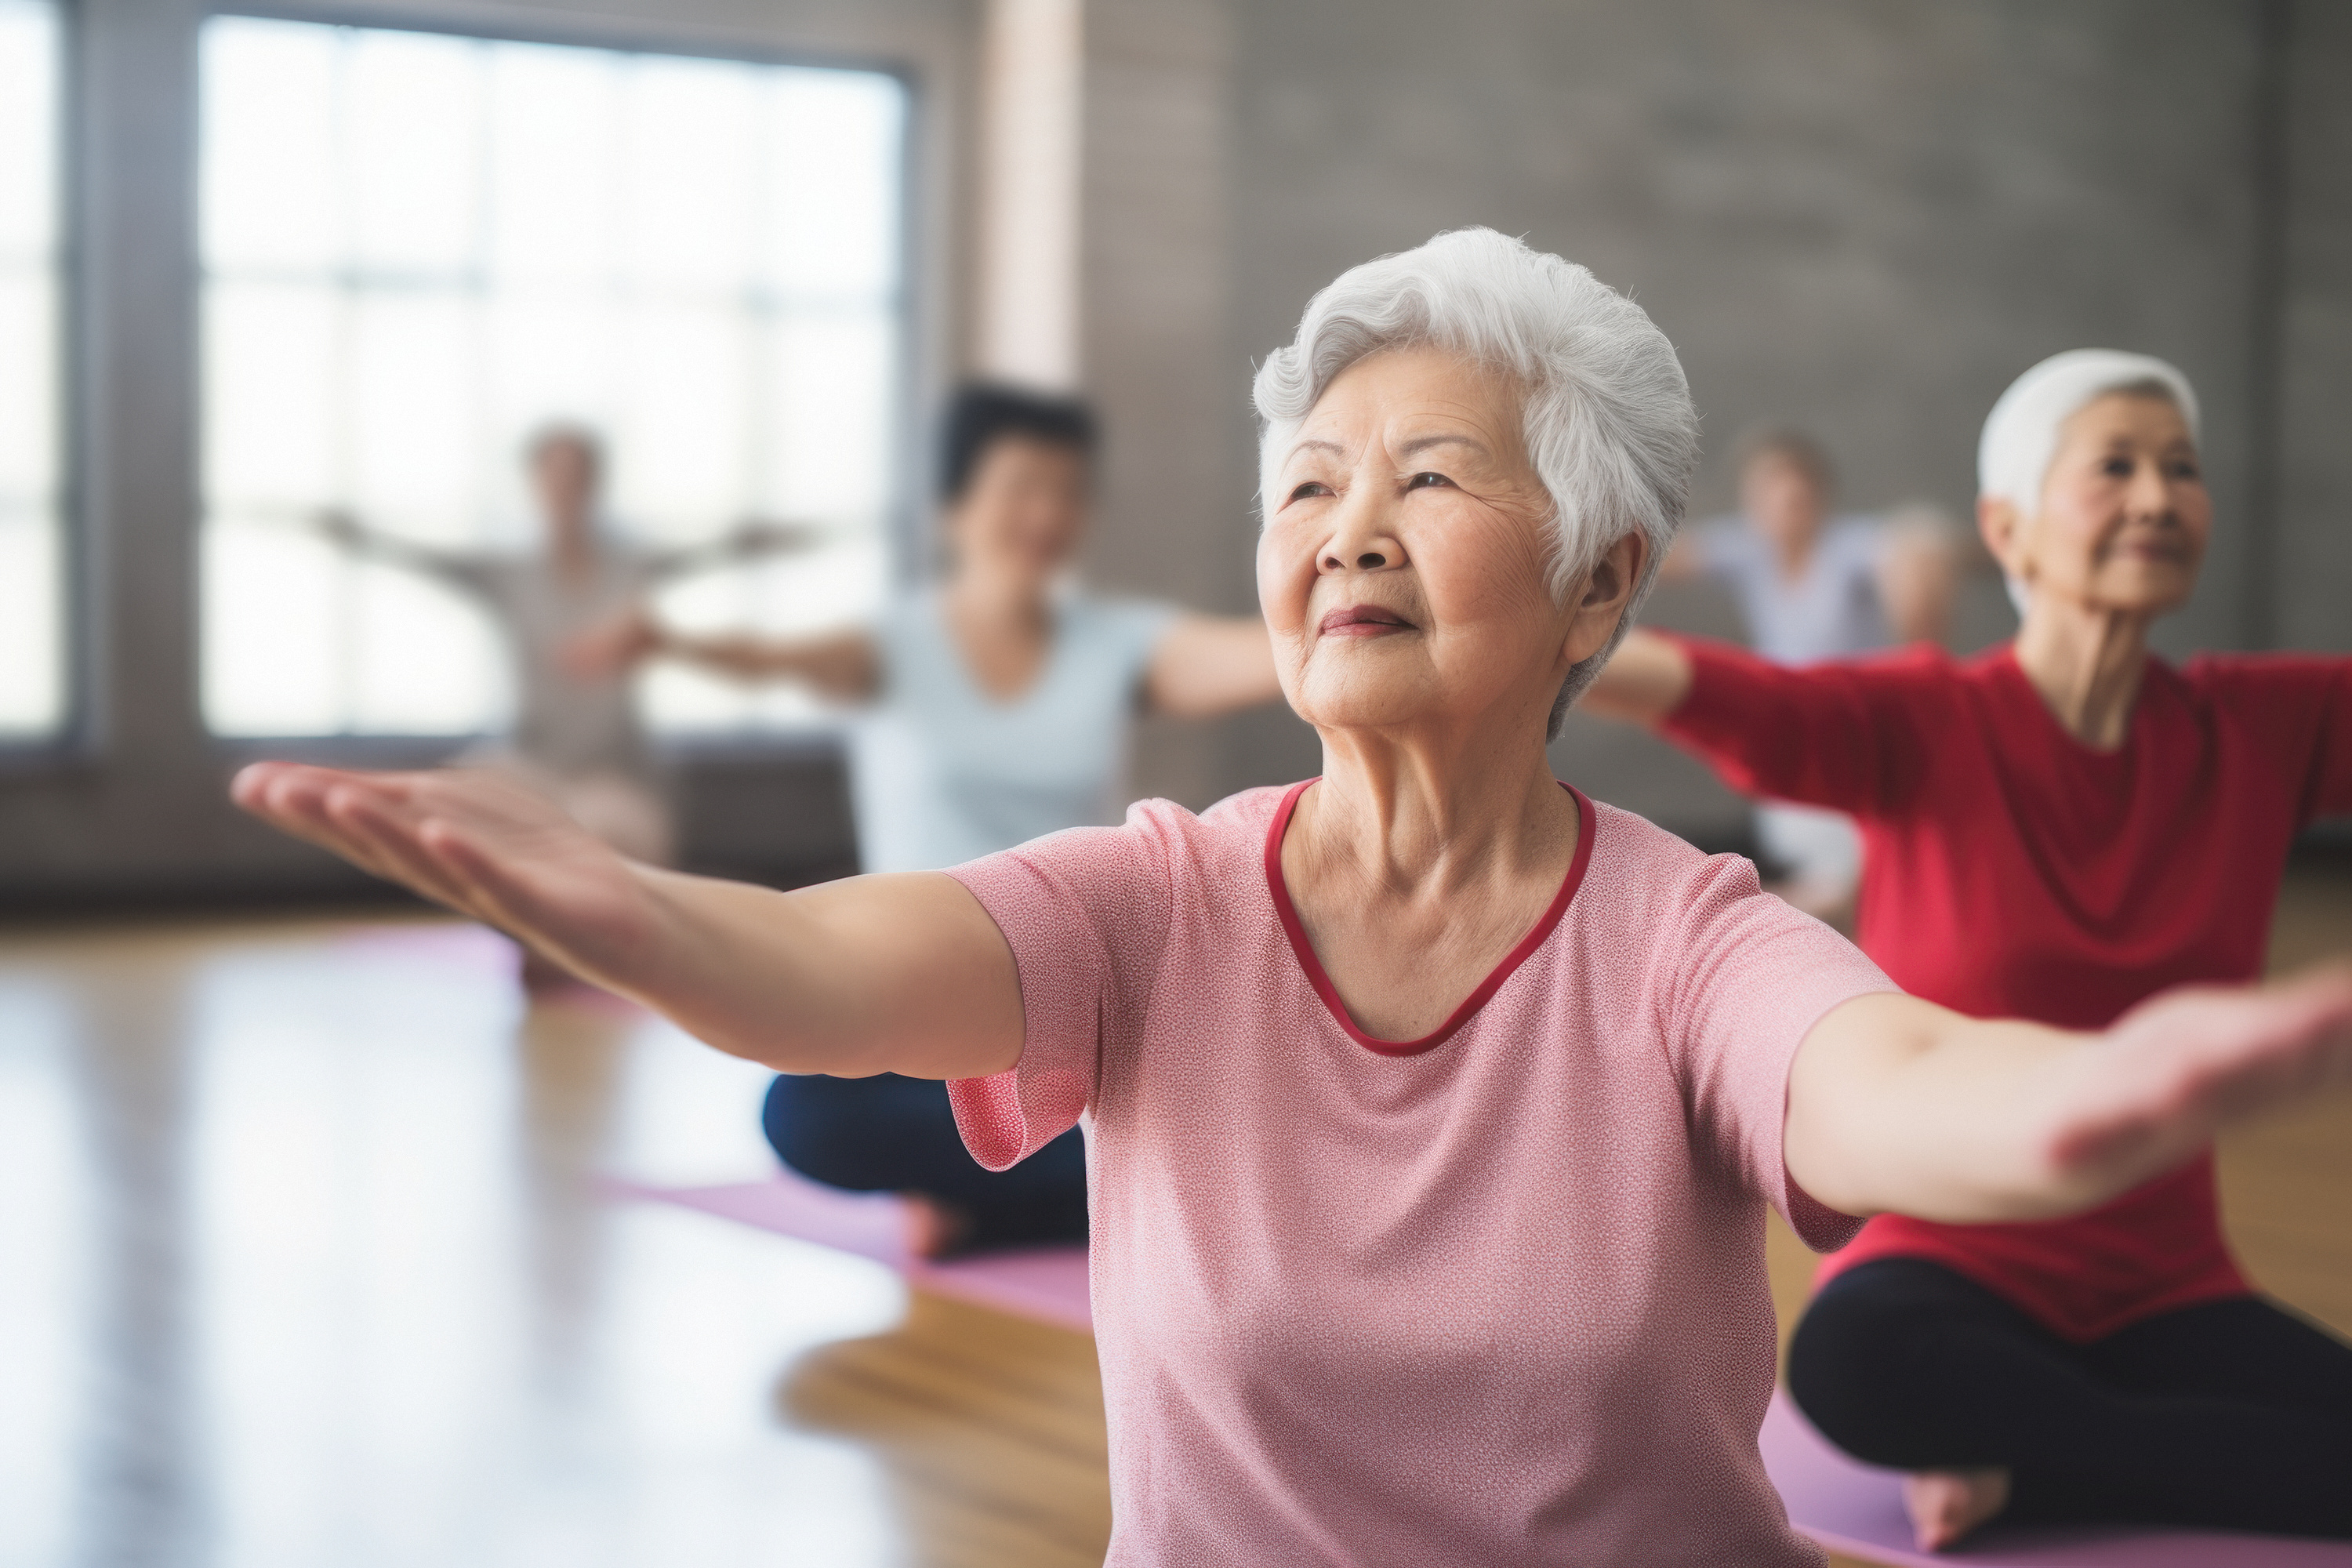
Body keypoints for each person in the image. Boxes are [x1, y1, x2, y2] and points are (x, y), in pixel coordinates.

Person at [230, 234, 2352, 1567]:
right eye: (1311, 488)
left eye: (1429, 478)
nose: (1347, 527)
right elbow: (814, 970)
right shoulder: (1160, 904)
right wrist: (621, 903)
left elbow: (1885, 1081)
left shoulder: (1685, 935)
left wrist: (2098, 1103)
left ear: (1602, 583)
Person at [1582, 347, 2352, 1548]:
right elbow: (1701, 686)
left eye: (2182, 469)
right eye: (2116, 467)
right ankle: (2086, 1439)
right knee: (1857, 1361)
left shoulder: (2267, 725)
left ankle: (2037, 1456)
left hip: (2167, 1278)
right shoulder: (1927, 722)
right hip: (1942, 1262)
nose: (2158, 496)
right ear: (2010, 526)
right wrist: (1487, 631)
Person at [574, 384, 1283, 1256]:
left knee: (1235, 1096)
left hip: (1074, 1004)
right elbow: (771, 654)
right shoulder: (895, 646)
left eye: (1067, 491)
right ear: (955, 507)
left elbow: (1257, 656)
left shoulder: (1119, 644)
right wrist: (668, 642)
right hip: (933, 989)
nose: (1048, 513)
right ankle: (1104, 1187)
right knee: (807, 1112)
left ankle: (1004, 1197)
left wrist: (1365, 621)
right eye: (1022, 487)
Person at [315, 423, 813, 876]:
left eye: (577, 476)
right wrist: (351, 533)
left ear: (595, 484)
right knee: (453, 804)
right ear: (532, 483)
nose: (564, 489)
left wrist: (779, 536)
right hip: (533, 763)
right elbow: (427, 561)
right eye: (552, 475)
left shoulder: (630, 565)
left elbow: (716, 549)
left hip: (613, 775)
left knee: (613, 844)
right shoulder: (511, 573)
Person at [1652, 430, 1959, 916]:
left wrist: (1918, 579)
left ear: (1818, 495)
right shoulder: (1750, 548)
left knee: (1837, 873)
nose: (1784, 505)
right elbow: (1665, 558)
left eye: (1795, 491)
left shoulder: (1847, 547)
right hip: (1783, 730)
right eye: (1768, 492)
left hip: (1847, 728)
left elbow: (1911, 548)